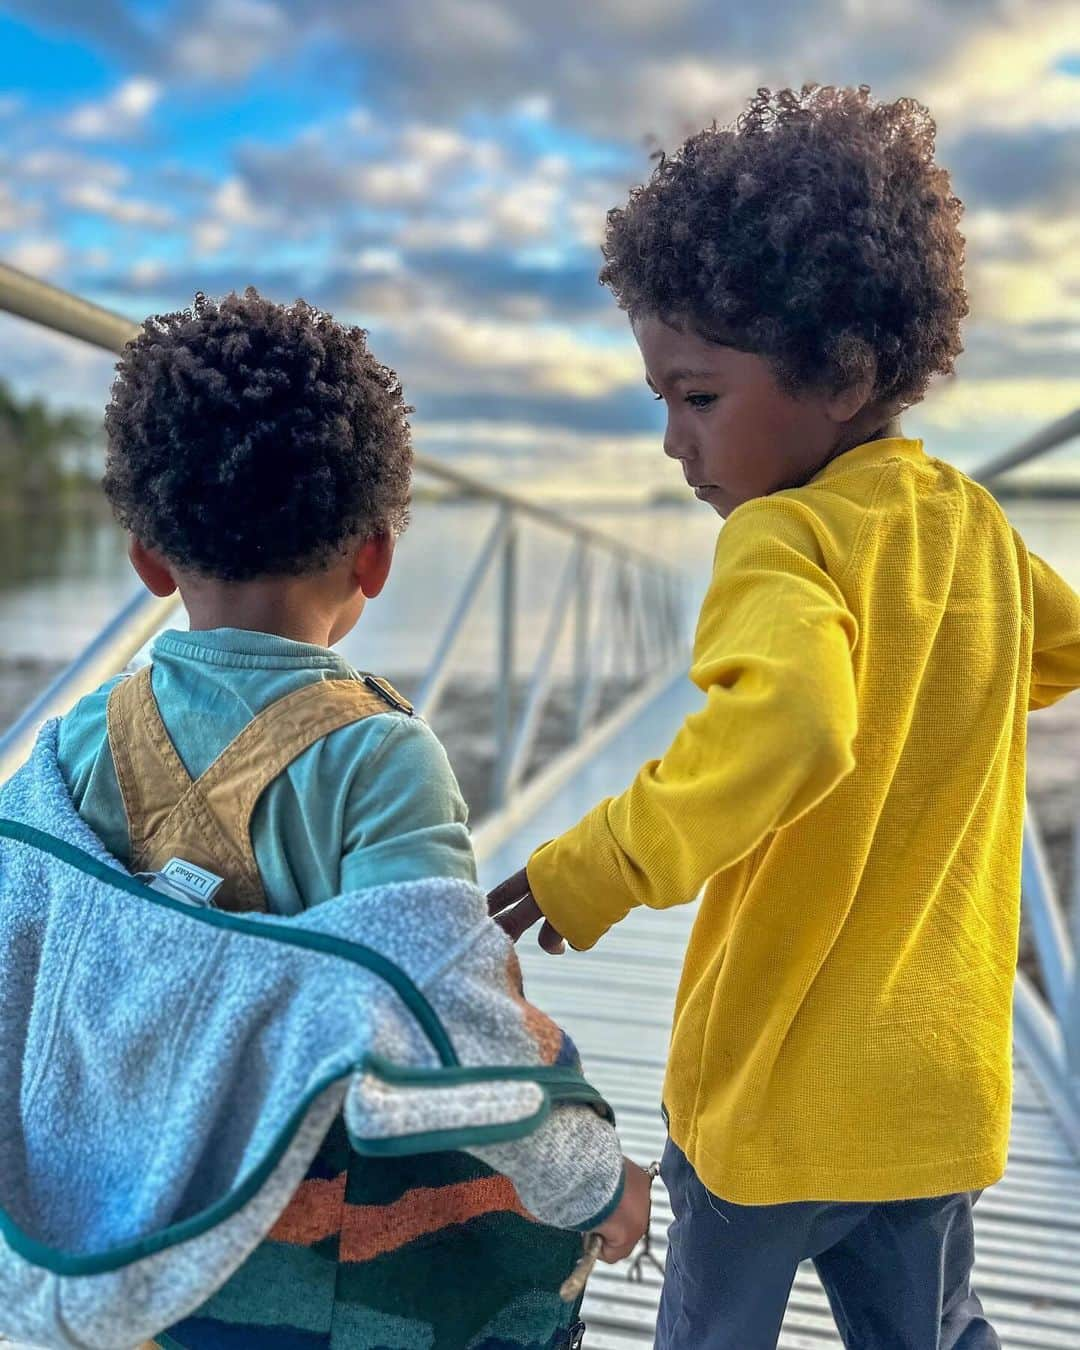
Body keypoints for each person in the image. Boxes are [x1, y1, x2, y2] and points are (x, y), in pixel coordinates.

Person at [488, 85, 1080, 1350]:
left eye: (696, 397)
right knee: (933, 1327)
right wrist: (945, 683)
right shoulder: (969, 519)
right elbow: (1057, 646)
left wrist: (595, 862)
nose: (669, 441)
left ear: (845, 372)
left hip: (773, 1102)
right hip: (936, 1093)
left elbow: (796, 727)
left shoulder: (780, 539)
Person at [54, 288, 651, 1348]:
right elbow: (451, 1021)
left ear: (148, 558)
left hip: (146, 1230)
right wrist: (595, 1181)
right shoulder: (378, 757)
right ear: (373, 556)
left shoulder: (74, 745)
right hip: (319, 1264)